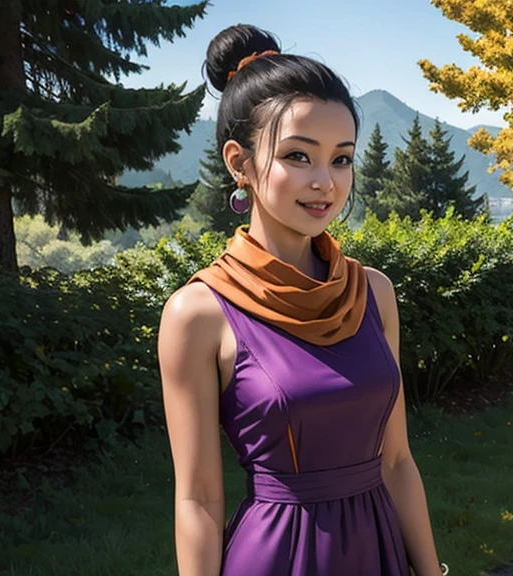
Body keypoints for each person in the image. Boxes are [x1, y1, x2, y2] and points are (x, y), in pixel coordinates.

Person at [157, 24, 444, 576]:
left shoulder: (373, 293)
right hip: (277, 559)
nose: (325, 182)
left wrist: (431, 572)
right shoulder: (198, 314)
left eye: (341, 159)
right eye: (298, 156)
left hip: (381, 553)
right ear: (240, 163)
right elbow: (196, 499)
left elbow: (398, 461)